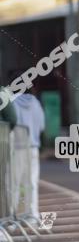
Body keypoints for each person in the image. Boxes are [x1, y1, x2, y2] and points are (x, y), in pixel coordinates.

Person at [11, 89, 45, 219]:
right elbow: (41, 125)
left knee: (15, 183)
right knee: (32, 182)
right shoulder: (35, 102)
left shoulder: (12, 102)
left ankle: (12, 216)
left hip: (18, 147)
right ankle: (33, 215)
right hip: (33, 147)